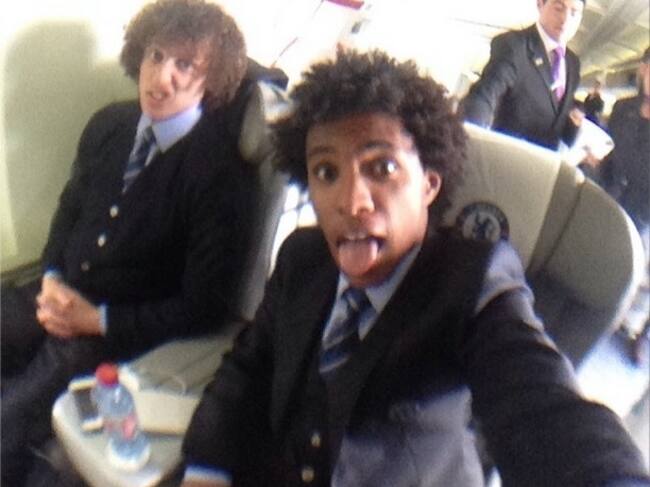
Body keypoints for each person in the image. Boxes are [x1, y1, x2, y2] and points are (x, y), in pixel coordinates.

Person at [180, 49, 650, 487]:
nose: (351, 201)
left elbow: (542, 404)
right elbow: (248, 368)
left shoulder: (473, 278)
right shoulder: (302, 258)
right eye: (326, 172)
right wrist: (206, 468)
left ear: (428, 184)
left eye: (381, 169)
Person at [0, 0, 275, 483]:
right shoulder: (110, 124)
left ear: (210, 81)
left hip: (120, 332)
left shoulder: (220, 175)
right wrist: (52, 277)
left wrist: (96, 320)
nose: (162, 77)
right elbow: (69, 210)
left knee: (11, 416)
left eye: (185, 65)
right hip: (57, 294)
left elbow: (204, 306)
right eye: (156, 55)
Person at [461, 0, 585, 151]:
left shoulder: (573, 63)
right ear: (540, 4)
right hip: (508, 155)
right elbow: (485, 95)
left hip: (546, 162)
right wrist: (470, 138)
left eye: (574, 13)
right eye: (559, 8)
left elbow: (557, 120)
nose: (565, 19)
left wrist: (574, 127)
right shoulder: (514, 46)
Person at [602, 47, 650, 365]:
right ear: (644, 70)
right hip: (615, 200)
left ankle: (640, 332)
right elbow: (610, 154)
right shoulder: (623, 109)